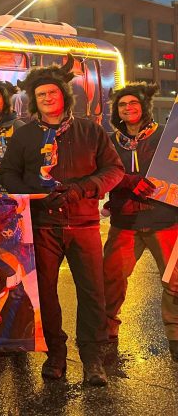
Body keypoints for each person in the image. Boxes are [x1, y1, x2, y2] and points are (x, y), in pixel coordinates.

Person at [0, 57, 124, 386]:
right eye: (41, 95)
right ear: (34, 100)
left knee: (93, 293)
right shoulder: (24, 136)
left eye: (53, 93)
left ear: (64, 96)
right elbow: (8, 173)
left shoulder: (90, 130)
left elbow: (113, 170)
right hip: (42, 226)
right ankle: (55, 353)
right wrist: (33, 194)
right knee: (45, 293)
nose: (48, 98)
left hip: (82, 224)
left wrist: (83, 188)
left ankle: (92, 358)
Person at [102, 83, 178, 361]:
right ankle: (107, 332)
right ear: (117, 111)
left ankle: (176, 335)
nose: (128, 108)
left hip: (165, 219)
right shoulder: (110, 140)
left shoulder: (165, 136)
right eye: (123, 104)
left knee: (174, 282)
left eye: (133, 103)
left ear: (144, 107)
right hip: (125, 222)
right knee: (111, 279)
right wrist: (126, 182)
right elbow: (102, 170)